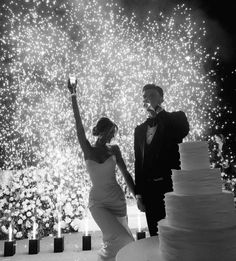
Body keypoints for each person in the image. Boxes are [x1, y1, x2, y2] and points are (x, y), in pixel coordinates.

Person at [67, 78, 135, 261]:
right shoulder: (88, 149)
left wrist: (138, 196)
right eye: (109, 132)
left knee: (122, 246)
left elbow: (126, 174)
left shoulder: (115, 150)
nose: (111, 136)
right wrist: (73, 95)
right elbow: (78, 125)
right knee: (125, 239)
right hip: (98, 203)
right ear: (100, 131)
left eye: (113, 134)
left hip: (117, 201)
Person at [134, 84, 189, 236]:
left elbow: (182, 131)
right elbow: (138, 162)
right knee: (155, 235)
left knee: (175, 233)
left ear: (162, 98)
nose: (147, 99)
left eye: (151, 95)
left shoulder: (177, 117)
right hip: (150, 191)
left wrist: (159, 112)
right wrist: (139, 195)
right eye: (144, 97)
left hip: (171, 186)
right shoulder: (139, 130)